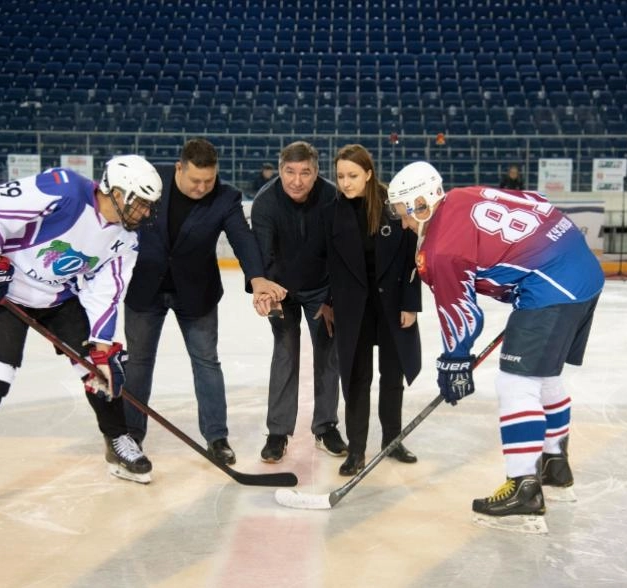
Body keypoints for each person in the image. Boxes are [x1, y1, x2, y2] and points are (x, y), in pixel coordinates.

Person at [0, 155, 163, 527]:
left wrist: (101, 345)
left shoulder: (126, 239)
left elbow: (107, 291)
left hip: (59, 298)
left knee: (101, 370)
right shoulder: (65, 189)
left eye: (148, 205)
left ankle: (117, 440)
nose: (144, 212)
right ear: (116, 191)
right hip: (5, 291)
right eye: (139, 202)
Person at [385, 161, 604, 534]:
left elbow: (463, 315)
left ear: (421, 203)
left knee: (517, 381)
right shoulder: (459, 197)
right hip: (580, 268)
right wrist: (528, 280)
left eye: (403, 213)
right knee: (544, 376)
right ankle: (555, 466)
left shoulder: (440, 248)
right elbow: (536, 202)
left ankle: (524, 489)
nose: (404, 223)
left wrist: (455, 361)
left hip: (552, 284)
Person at [123, 138, 286, 466]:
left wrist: (257, 279)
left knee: (206, 362)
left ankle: (217, 438)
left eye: (208, 181)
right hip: (145, 288)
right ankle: (130, 435)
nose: (201, 187)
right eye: (195, 180)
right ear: (179, 168)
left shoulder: (225, 197)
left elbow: (242, 238)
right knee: (138, 363)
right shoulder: (151, 181)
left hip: (196, 293)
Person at [324, 145, 422, 476]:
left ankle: (392, 442)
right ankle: (356, 451)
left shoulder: (394, 207)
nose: (345, 182)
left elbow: (411, 259)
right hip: (353, 309)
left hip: (392, 305)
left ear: (368, 174)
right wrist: (326, 301)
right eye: (340, 176)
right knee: (356, 379)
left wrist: (410, 304)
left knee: (392, 376)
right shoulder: (331, 212)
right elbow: (325, 263)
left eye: (352, 175)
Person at [250, 141, 347, 463]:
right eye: (289, 172)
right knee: (285, 352)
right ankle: (278, 432)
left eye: (305, 172)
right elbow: (262, 256)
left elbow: (340, 253)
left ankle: (326, 427)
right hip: (281, 290)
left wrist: (333, 298)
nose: (296, 180)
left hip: (322, 289)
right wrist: (267, 294)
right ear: (280, 170)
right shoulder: (265, 203)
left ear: (316, 173)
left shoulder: (332, 197)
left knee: (328, 353)